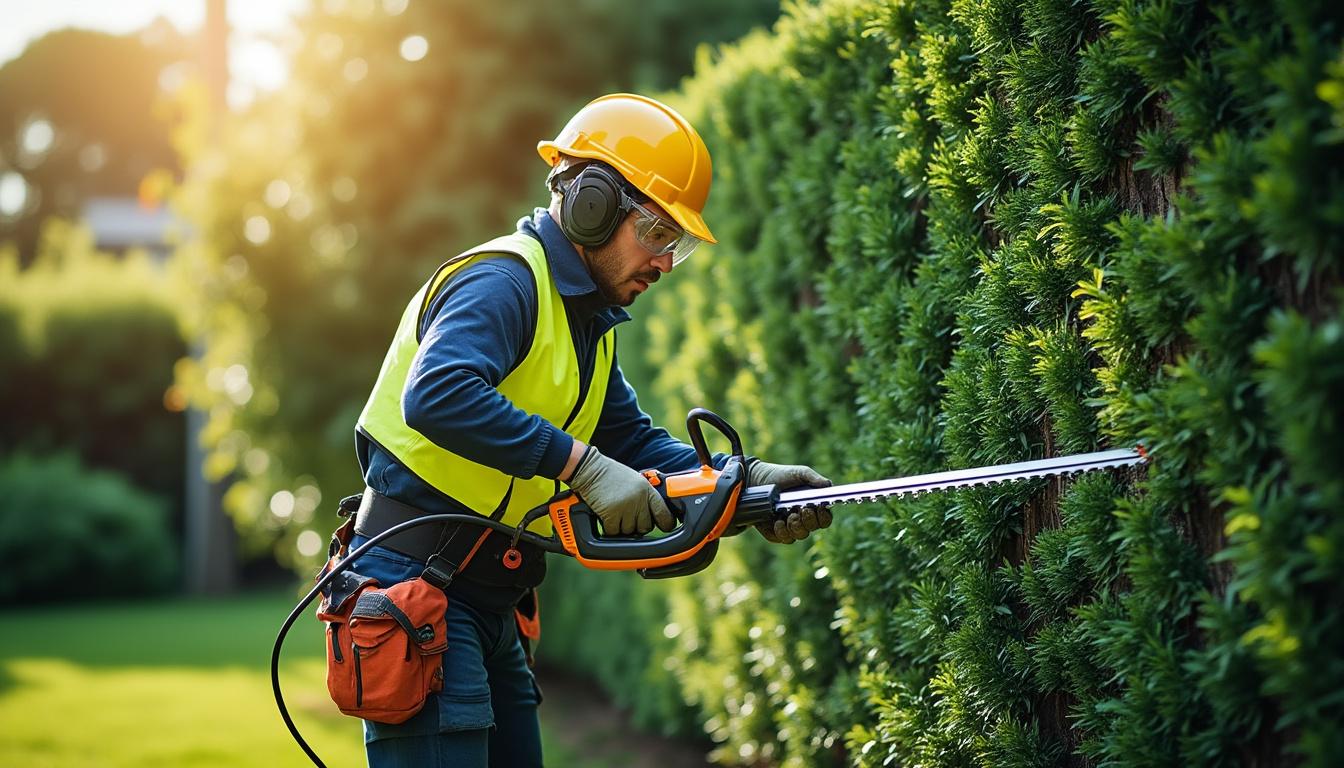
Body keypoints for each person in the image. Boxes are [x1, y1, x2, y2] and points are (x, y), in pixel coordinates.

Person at [346, 92, 833, 767]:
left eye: (676, 244)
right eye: (658, 234)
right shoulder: (504, 282)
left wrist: (742, 482)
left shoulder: (586, 328)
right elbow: (437, 394)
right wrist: (584, 467)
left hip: (490, 597)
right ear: (592, 205)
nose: (665, 262)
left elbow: (634, 442)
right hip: (418, 582)